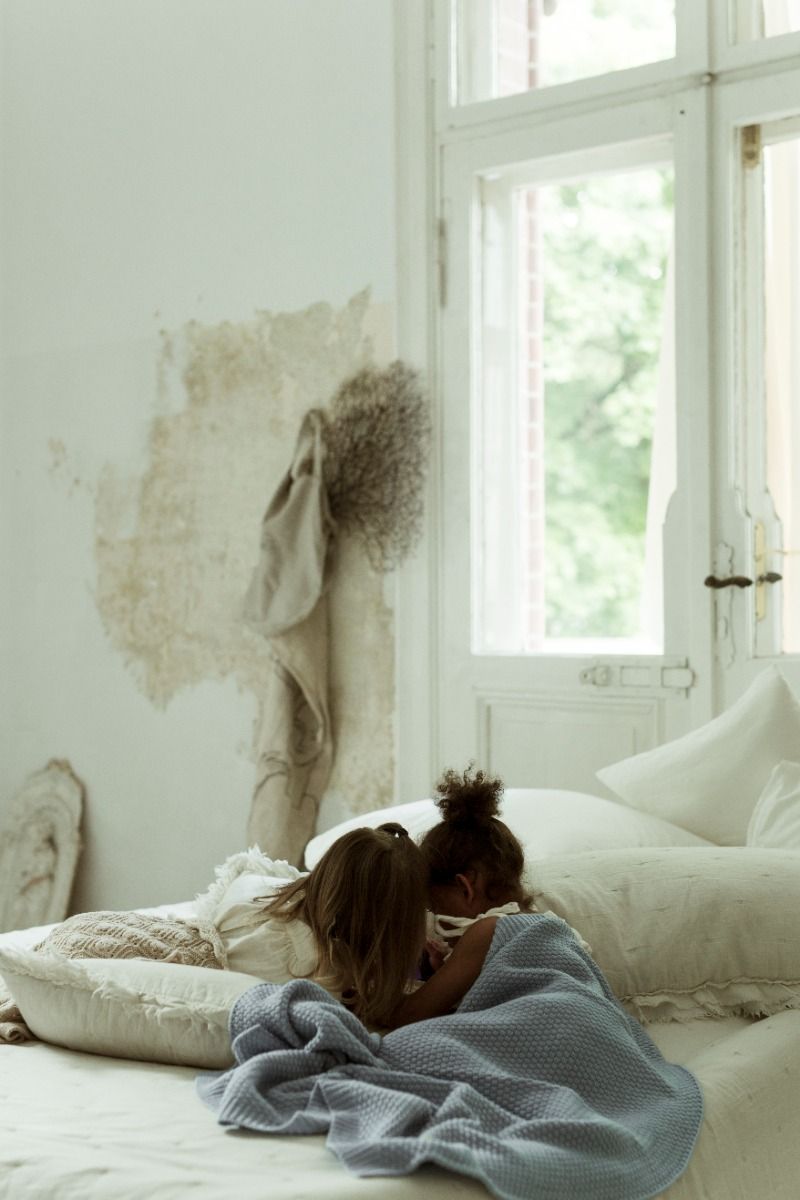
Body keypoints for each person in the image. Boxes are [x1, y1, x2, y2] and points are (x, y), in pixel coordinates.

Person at [37, 823, 428, 1031]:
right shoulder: (306, 967)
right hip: (188, 955)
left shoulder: (269, 895)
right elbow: (378, 1010)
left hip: (102, 926)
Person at [388, 766, 588, 1028]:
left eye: (434, 906)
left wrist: (360, 998)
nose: (436, 919)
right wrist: (445, 973)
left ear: (466, 887)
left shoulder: (487, 931)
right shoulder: (553, 925)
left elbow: (410, 1015)